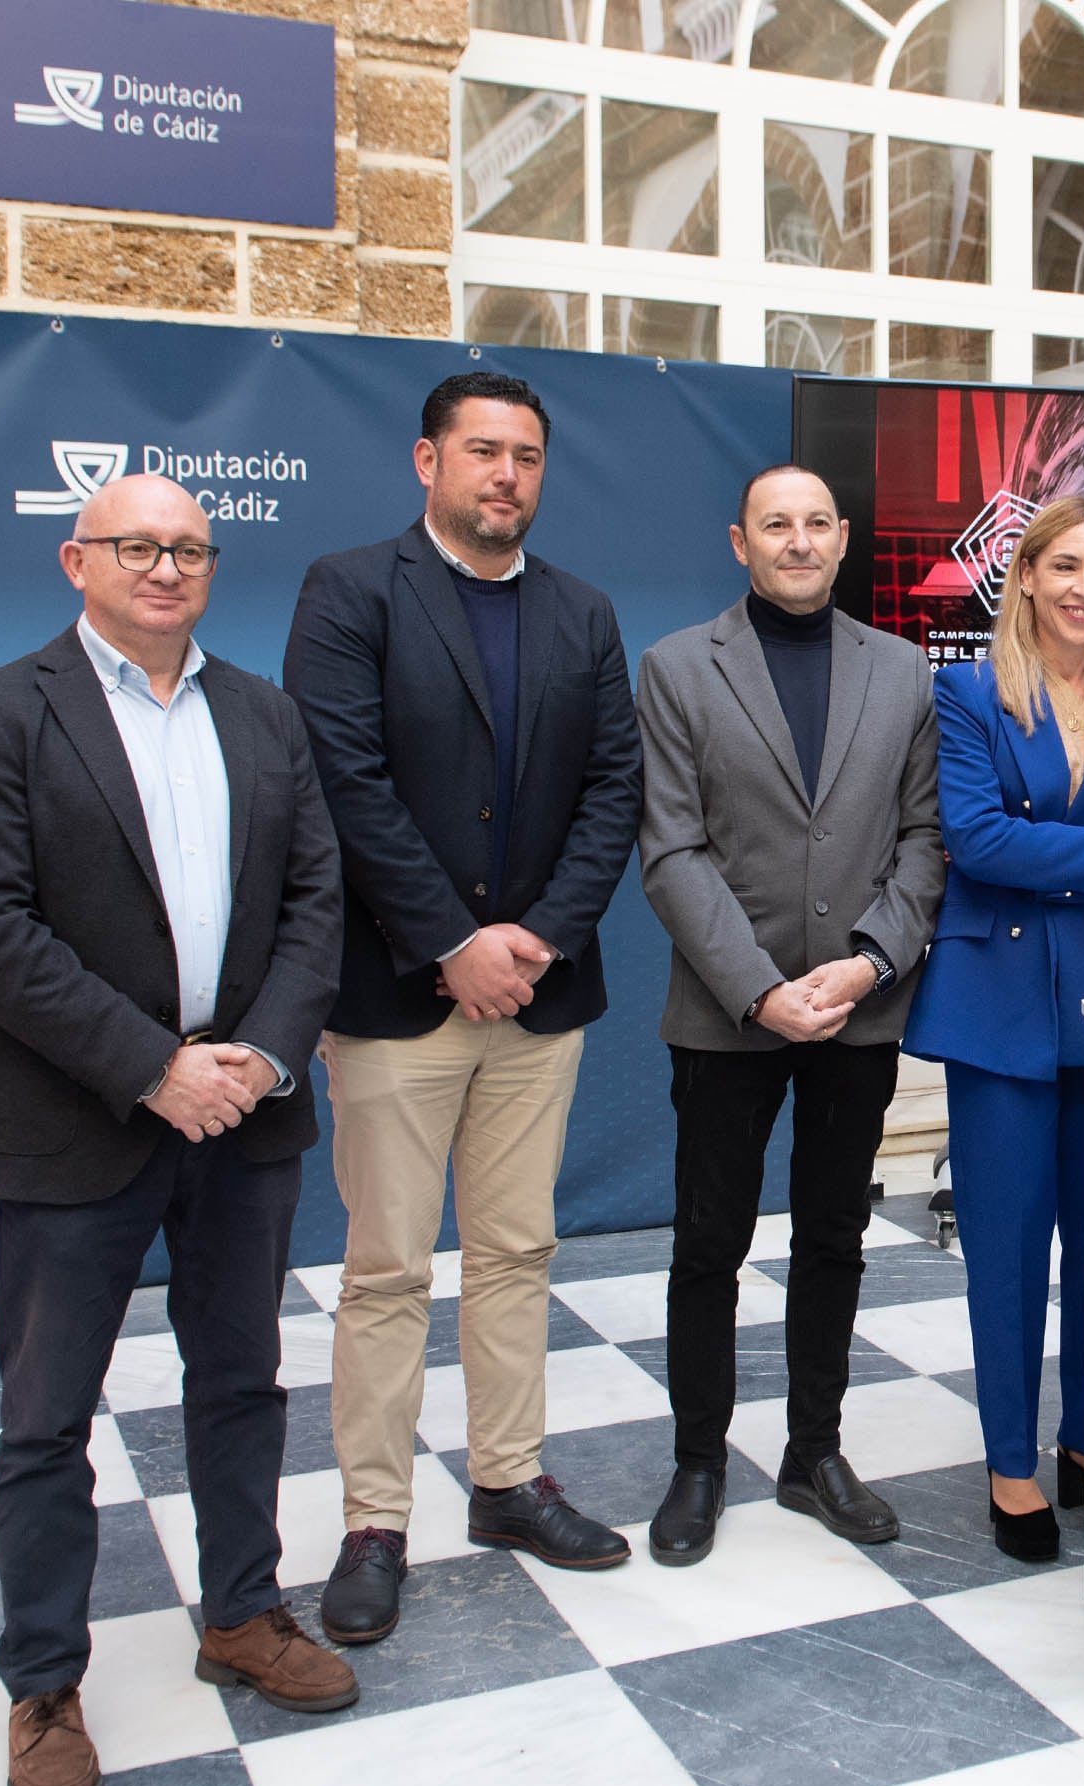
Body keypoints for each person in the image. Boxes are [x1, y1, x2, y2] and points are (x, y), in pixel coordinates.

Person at [0, 473, 356, 1786]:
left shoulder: (264, 715)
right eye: (137, 546)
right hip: (75, 1120)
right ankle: (44, 1679)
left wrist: (260, 1058)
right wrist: (153, 1066)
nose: (165, 567)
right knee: (47, 1421)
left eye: (188, 548)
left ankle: (242, 1612)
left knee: (240, 1383)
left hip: (245, 1109)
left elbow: (314, 903)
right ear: (78, 559)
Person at [283, 372, 645, 1644]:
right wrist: (450, 940)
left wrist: (533, 940)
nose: (507, 474)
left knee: (515, 1250)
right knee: (384, 1270)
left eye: (527, 455)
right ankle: (374, 1520)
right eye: (482, 451)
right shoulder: (349, 591)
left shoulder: (582, 613)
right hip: (397, 991)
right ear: (426, 461)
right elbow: (342, 779)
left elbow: (615, 792)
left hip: (539, 998)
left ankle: (506, 1479)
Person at [635, 464, 945, 1564]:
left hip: (857, 1012)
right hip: (728, 1015)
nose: (798, 541)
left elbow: (924, 840)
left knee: (834, 1237)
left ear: (844, 538)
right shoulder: (677, 667)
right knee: (706, 1242)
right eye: (777, 524)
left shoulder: (903, 672)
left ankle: (813, 1450)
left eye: (816, 524)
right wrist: (761, 989)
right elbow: (670, 849)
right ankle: (698, 1461)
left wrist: (865, 965)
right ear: (740, 542)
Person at [904, 498, 1084, 1560]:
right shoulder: (968, 693)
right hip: (998, 1006)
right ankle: (1010, 1464)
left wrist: (1080, 846)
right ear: (1022, 574)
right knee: (1008, 1248)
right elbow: (975, 841)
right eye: (1063, 565)